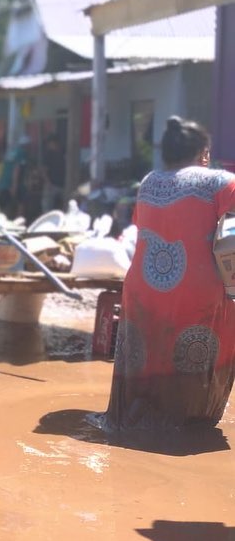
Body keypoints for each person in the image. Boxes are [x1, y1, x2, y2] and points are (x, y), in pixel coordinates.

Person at [97, 116, 235, 431]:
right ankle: (188, 427)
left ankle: (139, 423)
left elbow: (143, 226)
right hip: (198, 286)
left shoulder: (148, 182)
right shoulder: (222, 182)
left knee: (149, 354)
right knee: (196, 352)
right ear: (204, 151)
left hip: (144, 286)